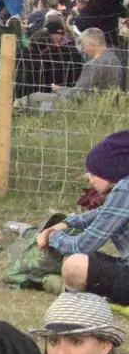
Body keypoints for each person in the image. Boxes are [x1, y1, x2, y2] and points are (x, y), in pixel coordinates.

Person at [43, 130, 129, 305]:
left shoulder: (125, 189)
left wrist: (52, 236)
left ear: (112, 169)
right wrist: (66, 223)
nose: (89, 178)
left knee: (74, 265)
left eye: (93, 172)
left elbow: (82, 245)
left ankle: (78, 304)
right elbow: (103, 214)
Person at [75, 27, 127, 92]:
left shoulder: (92, 65)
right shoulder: (115, 57)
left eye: (84, 46)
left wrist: (59, 89)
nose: (84, 50)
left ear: (90, 45)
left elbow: (78, 92)